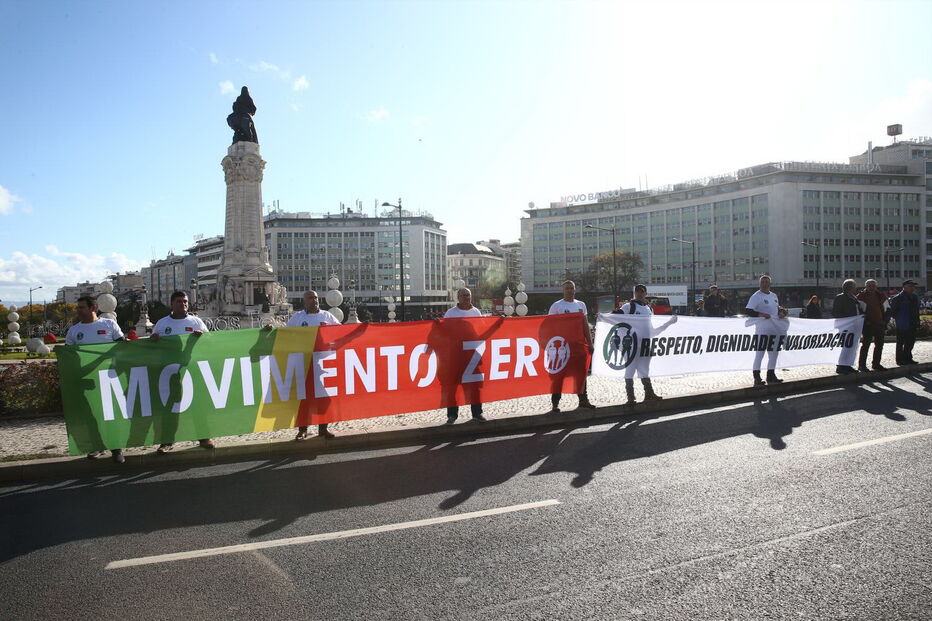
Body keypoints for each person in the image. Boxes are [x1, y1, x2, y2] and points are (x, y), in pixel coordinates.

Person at [65, 295, 127, 463]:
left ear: (93, 308)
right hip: (87, 380)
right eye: (77, 308)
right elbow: (69, 356)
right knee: (91, 416)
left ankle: (116, 448)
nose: (78, 310)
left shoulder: (109, 325)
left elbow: (122, 346)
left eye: (81, 307)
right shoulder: (74, 331)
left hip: (109, 378)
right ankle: (97, 446)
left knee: (110, 414)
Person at [150, 291, 214, 453]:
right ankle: (167, 441)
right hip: (170, 372)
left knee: (198, 405)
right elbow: (152, 346)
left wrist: (201, 338)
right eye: (179, 301)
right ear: (171, 304)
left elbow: (210, 343)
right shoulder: (162, 324)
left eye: (185, 301)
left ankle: (204, 437)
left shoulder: (196, 322)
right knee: (170, 407)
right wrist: (154, 340)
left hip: (192, 370)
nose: (183, 304)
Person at [287, 290, 341, 440]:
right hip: (303, 363)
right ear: (305, 301)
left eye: (316, 298)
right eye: (310, 298)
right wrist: (267, 330)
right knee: (304, 399)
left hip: (322, 365)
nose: (314, 300)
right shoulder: (297, 318)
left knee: (324, 398)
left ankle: (323, 428)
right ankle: (302, 430)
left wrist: (359, 328)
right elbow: (283, 333)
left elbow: (341, 331)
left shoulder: (327, 316)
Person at [547, 280, 596, 413]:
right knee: (559, 375)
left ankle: (583, 400)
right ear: (563, 290)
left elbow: (585, 325)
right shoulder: (556, 306)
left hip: (578, 346)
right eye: (567, 288)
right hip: (562, 346)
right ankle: (555, 403)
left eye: (571, 288)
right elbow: (549, 325)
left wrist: (590, 343)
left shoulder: (581, 305)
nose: (569, 290)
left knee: (581, 374)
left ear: (575, 290)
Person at [612, 284, 663, 404]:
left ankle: (649, 393)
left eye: (642, 291)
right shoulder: (629, 306)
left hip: (645, 344)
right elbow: (616, 315)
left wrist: (669, 323)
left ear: (645, 293)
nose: (639, 294)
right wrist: (605, 316)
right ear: (635, 293)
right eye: (637, 291)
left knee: (645, 370)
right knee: (630, 369)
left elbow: (651, 328)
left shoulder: (649, 309)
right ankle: (630, 397)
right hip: (631, 345)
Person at [443, 288, 486, 424]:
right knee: (453, 386)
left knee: (475, 386)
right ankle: (452, 415)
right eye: (464, 295)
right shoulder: (451, 313)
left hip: (472, 354)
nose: (467, 297)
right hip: (455, 354)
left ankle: (477, 413)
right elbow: (444, 330)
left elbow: (481, 329)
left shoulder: (476, 312)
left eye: (468, 295)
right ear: (458, 297)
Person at [745, 275, 787, 385]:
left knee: (774, 354)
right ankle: (757, 377)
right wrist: (761, 314)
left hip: (774, 330)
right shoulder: (756, 296)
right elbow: (748, 310)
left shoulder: (774, 296)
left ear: (770, 283)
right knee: (760, 354)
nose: (764, 284)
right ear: (760, 284)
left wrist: (781, 312)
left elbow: (776, 308)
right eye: (762, 282)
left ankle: (771, 375)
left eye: (766, 282)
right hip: (762, 331)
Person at [830, 279, 861, 375]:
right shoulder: (840, 298)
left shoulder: (854, 298)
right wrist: (848, 320)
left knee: (851, 346)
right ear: (850, 287)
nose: (856, 288)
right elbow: (835, 312)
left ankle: (847, 365)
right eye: (854, 286)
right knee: (845, 346)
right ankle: (840, 366)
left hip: (854, 326)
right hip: (845, 326)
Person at [855, 279, 887, 371]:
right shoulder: (860, 296)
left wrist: (884, 321)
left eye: (873, 286)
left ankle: (876, 364)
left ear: (876, 286)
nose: (871, 287)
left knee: (879, 345)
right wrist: (865, 321)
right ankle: (862, 365)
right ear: (866, 286)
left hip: (879, 324)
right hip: (868, 325)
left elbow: (888, 309)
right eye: (869, 286)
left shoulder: (881, 296)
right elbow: (858, 311)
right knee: (865, 345)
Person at [888, 279, 920, 365]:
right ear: (904, 287)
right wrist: (900, 319)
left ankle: (908, 358)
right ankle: (899, 359)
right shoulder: (898, 298)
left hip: (912, 323)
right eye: (910, 286)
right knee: (900, 343)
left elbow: (916, 310)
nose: (912, 288)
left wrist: (917, 322)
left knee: (910, 342)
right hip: (902, 324)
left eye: (913, 286)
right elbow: (893, 312)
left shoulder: (915, 297)